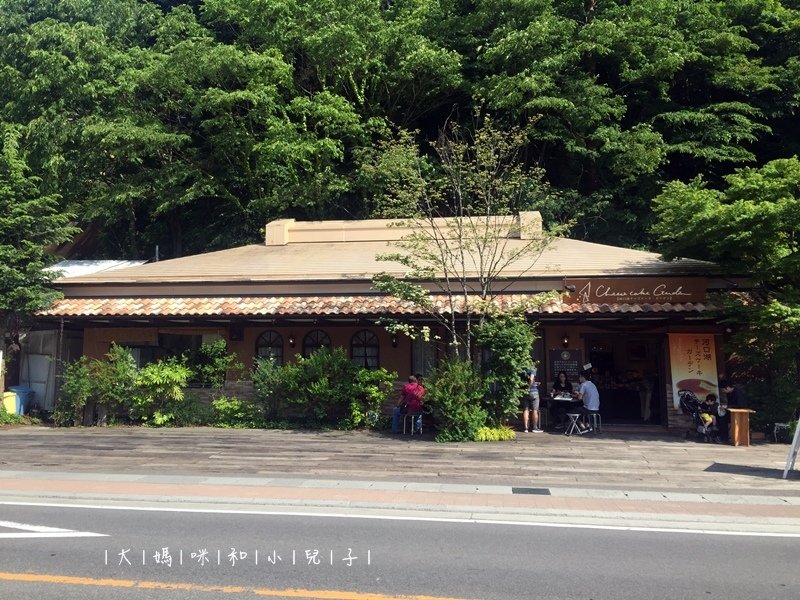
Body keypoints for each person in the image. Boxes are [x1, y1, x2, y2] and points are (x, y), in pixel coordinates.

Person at [522, 366, 542, 432]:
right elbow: (531, 379)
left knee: (526, 409)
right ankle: (535, 427)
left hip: (524, 392)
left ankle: (526, 428)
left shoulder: (522, 369)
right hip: (533, 392)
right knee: (535, 410)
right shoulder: (532, 369)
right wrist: (529, 387)